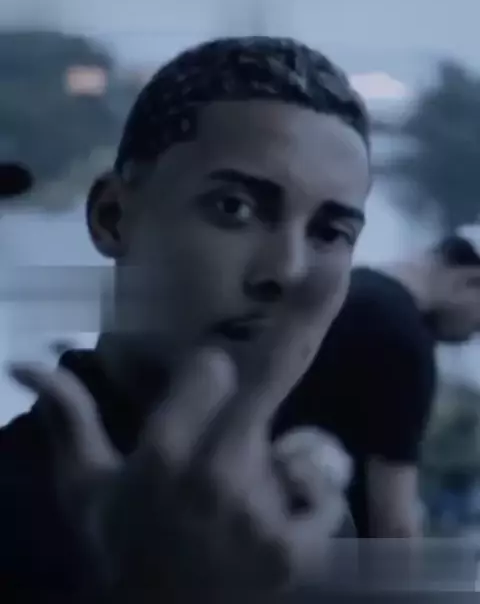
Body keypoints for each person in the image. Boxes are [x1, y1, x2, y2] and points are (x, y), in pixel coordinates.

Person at [0, 37, 371, 600]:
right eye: (234, 207)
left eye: (331, 232)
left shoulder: (307, 517)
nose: (288, 270)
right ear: (112, 216)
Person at [273, 233, 480, 539]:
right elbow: (394, 522)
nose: (472, 335)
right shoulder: (406, 339)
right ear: (470, 282)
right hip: (312, 547)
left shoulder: (351, 289)